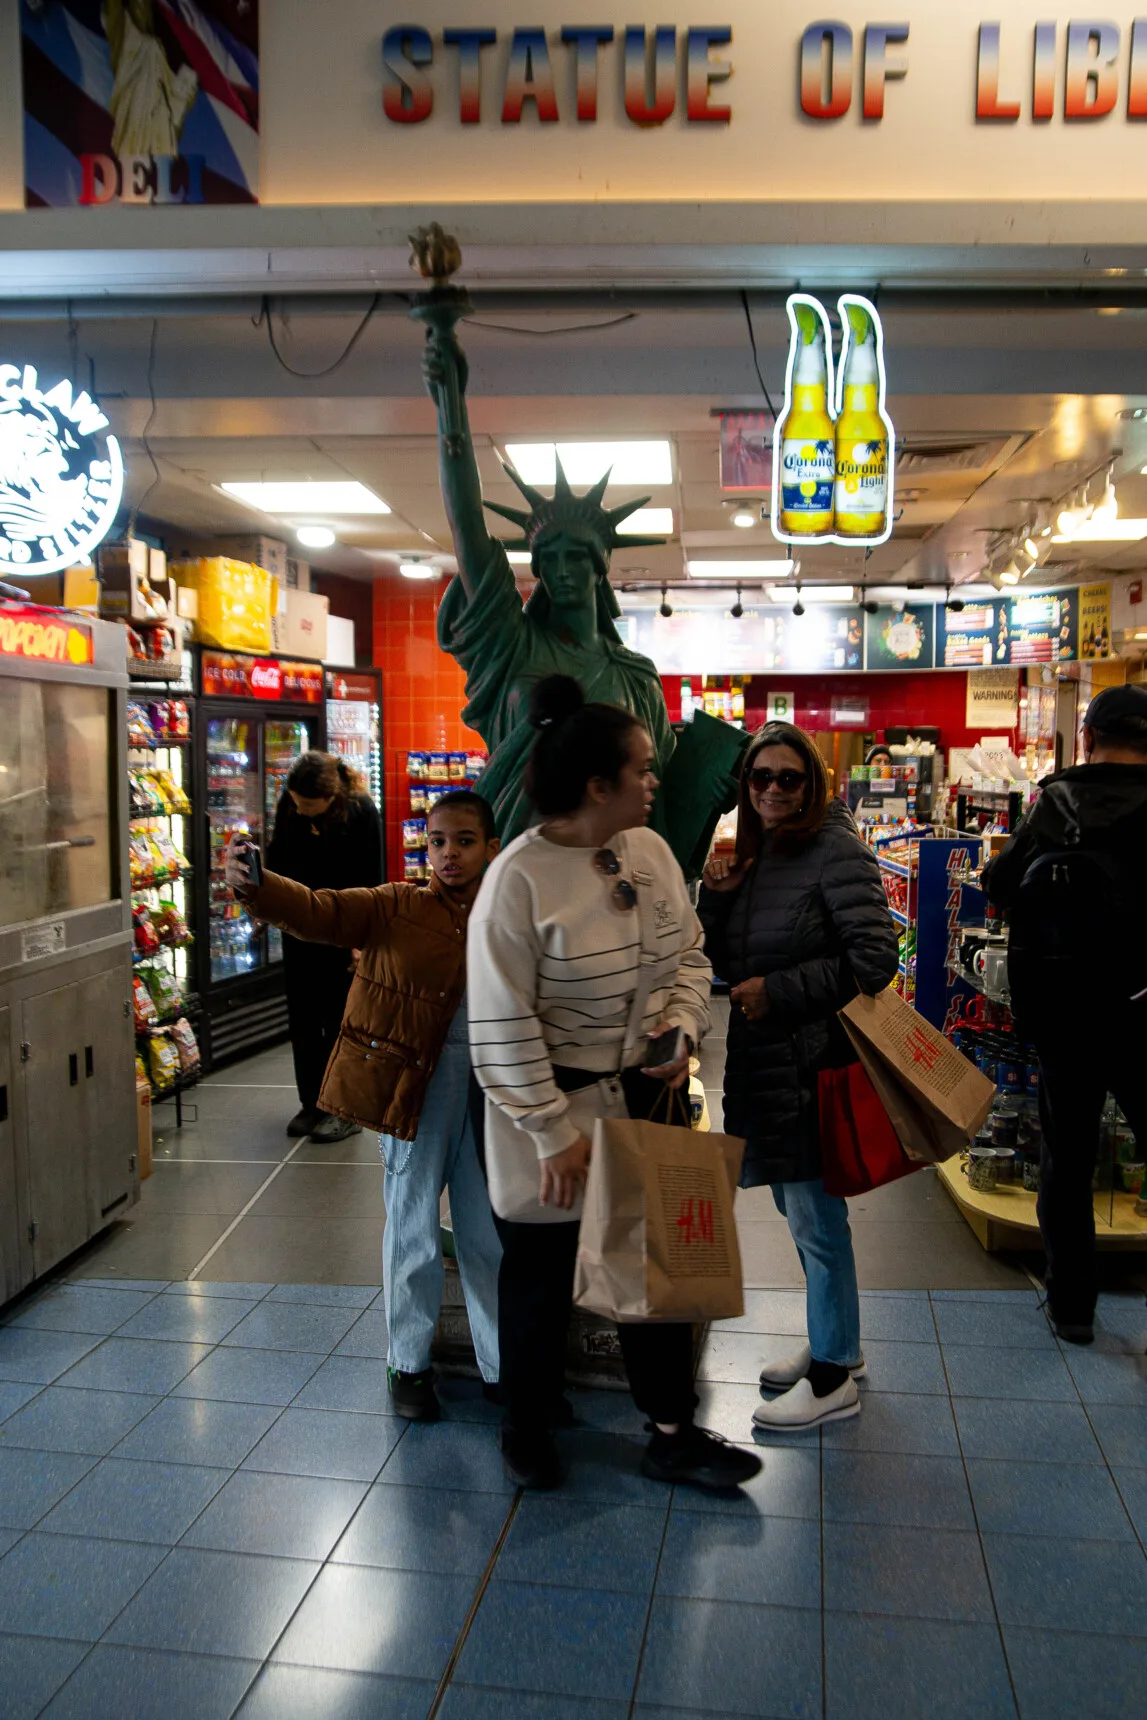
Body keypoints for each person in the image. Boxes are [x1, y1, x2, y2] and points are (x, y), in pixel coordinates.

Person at [468, 674, 761, 1493]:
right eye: (640, 768)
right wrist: (549, 1133)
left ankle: (671, 1430)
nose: (653, 778)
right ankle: (526, 1424)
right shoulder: (516, 882)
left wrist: (681, 1028)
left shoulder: (654, 852)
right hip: (552, 1109)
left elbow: (687, 953)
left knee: (653, 1267)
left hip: (644, 1093)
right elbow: (500, 1022)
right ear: (596, 786)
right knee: (538, 1275)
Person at [226, 791, 503, 1420]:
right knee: (412, 1228)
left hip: (490, 1087)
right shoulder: (397, 904)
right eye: (437, 841)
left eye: (464, 840)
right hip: (414, 1087)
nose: (449, 854)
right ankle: (408, 1365)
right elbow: (319, 912)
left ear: (490, 847)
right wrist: (258, 887)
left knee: (486, 1234)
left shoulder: (507, 914)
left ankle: (499, 1366)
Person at [700, 721, 899, 1432]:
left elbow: (876, 959)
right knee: (799, 1211)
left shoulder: (831, 848)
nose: (774, 791)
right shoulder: (757, 852)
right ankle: (834, 1343)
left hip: (810, 1062)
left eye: (789, 778)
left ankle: (832, 1373)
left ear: (812, 784)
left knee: (816, 1217)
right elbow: (723, 958)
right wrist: (718, 895)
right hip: (767, 1064)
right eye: (760, 779)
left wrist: (777, 991)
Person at [982, 684, 1147, 1344]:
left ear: (1088, 737)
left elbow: (998, 886)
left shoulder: (1055, 801)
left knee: (1067, 1156)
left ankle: (1072, 1306)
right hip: (1140, 1013)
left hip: (1063, 1012)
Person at [267, 752, 383, 1143]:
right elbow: (278, 859)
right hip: (299, 928)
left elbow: (371, 878)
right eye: (297, 804)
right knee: (302, 1018)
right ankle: (311, 1102)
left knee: (340, 1021)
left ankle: (344, 1109)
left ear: (331, 796)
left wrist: (362, 939)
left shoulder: (362, 811)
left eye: (309, 806)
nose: (301, 812)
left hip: (341, 929)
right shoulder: (291, 805)